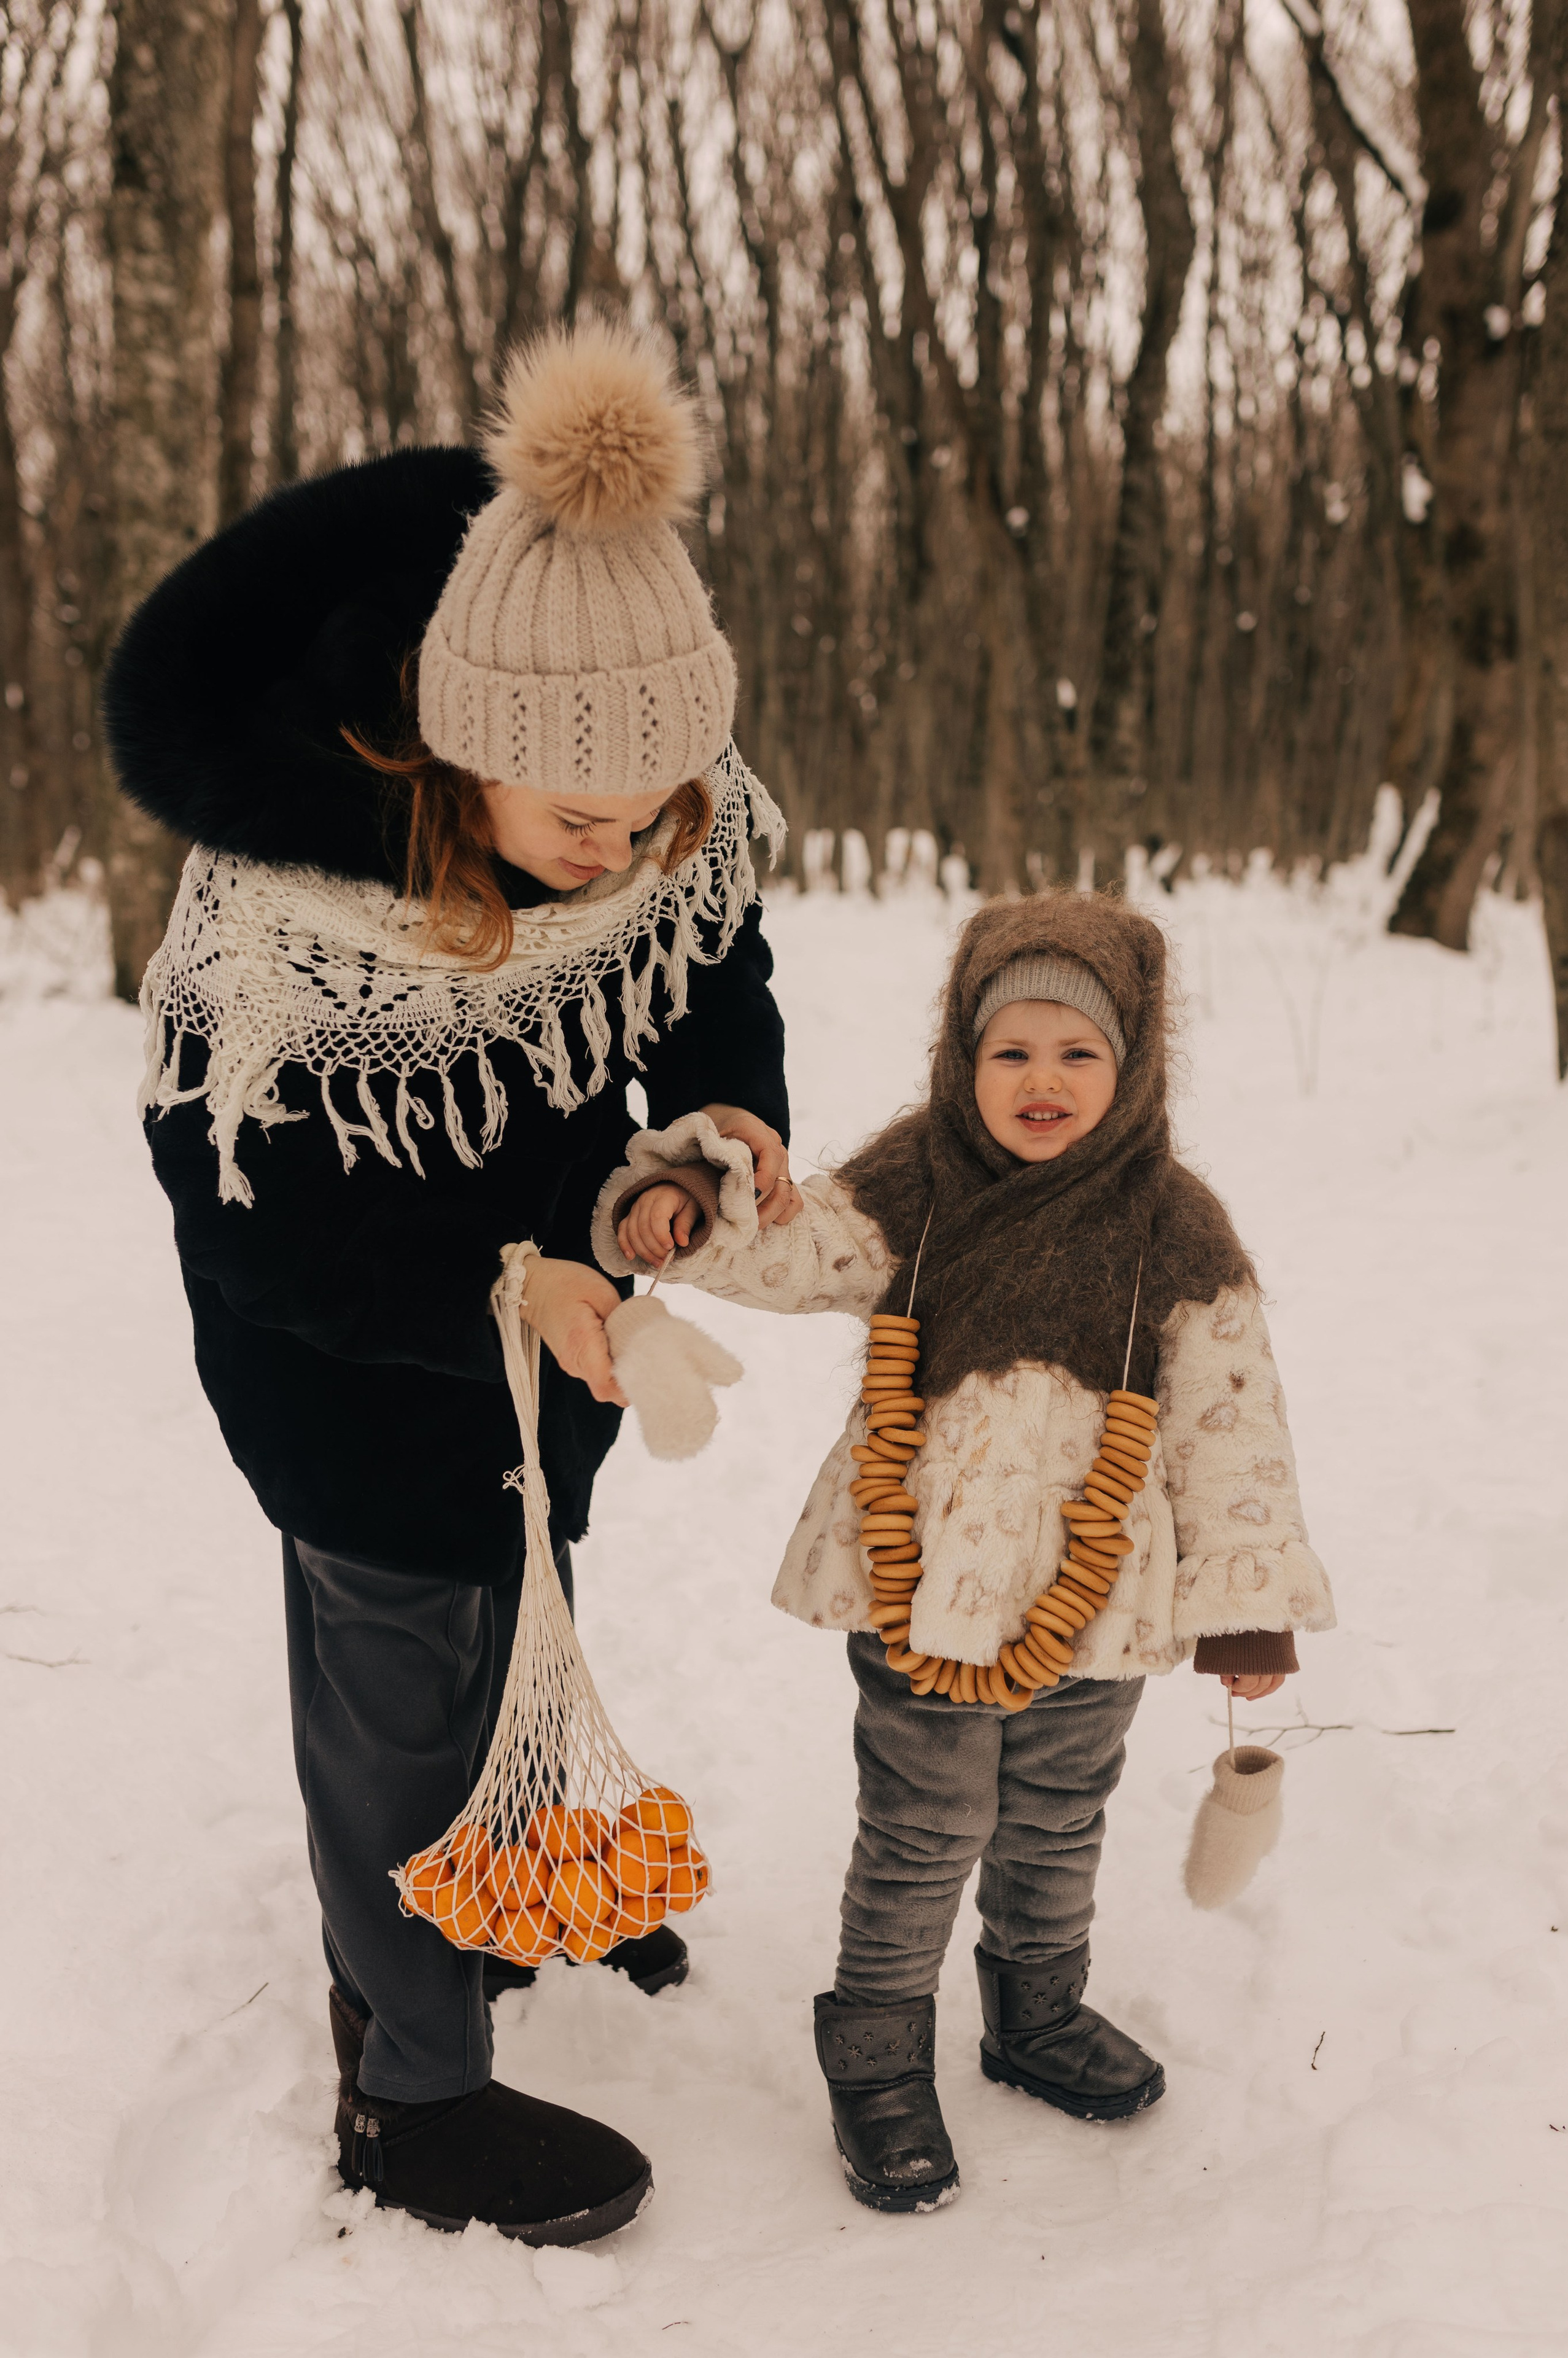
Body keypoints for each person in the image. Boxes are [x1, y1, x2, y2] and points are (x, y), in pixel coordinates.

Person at [103, 320, 798, 2246]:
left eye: (661, 807)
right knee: (401, 1698)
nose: (624, 850)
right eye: (580, 817)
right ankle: (411, 2095)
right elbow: (254, 1219)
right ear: (448, 743)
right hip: (355, 1384)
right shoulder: (287, 931)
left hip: (553, 1344)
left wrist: (714, 1123)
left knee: (530, 1597)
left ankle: (514, 1872)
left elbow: (709, 947)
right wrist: (503, 1291)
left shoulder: (641, 809)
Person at [596, 890, 1335, 2212]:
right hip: (920, 1579)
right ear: (960, 1058)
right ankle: (875, 2049)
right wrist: (695, 1212)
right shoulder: (916, 1182)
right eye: (1009, 1053)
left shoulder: (1173, 1225)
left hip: (1092, 1599)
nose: (1040, 1082)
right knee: (922, 1824)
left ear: (1132, 1063)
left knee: (1058, 1819)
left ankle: (1033, 2010)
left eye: (1076, 1054)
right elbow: (800, 1242)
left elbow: (1233, 1428)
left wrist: (1243, 1610)